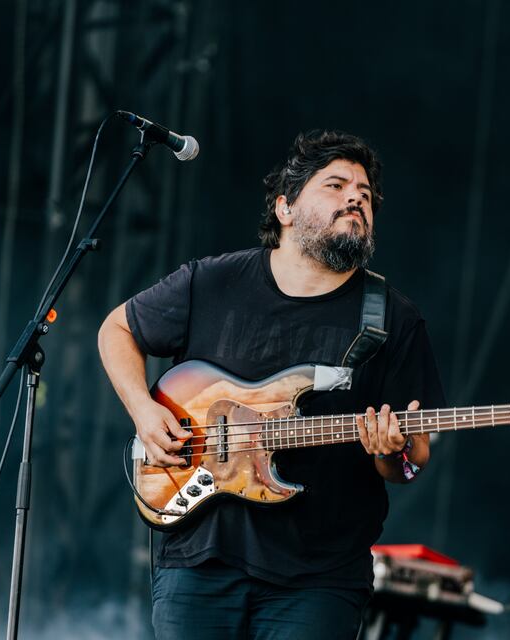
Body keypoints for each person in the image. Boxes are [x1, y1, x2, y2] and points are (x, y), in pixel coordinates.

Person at [97, 130, 445, 639]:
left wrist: (391, 452)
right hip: (199, 557)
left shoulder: (391, 317)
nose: (355, 197)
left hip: (320, 576)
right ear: (285, 208)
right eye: (336, 185)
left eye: (365, 194)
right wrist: (145, 413)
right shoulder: (211, 282)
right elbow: (117, 329)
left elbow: (412, 457)